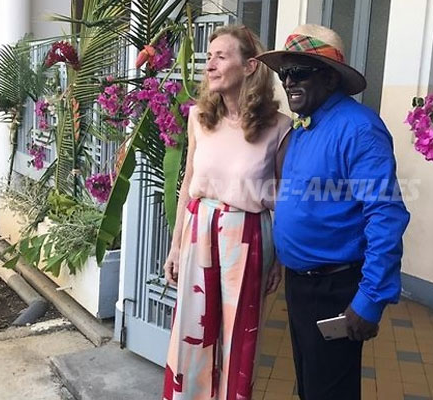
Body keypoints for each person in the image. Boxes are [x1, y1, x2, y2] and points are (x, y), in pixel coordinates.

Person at [257, 24, 411, 400]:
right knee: (311, 387)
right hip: (302, 284)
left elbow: (385, 215)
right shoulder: (304, 127)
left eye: (300, 72)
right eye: (284, 73)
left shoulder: (359, 129)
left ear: (328, 78)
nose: (288, 82)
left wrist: (369, 300)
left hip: (335, 288)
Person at [162, 25, 291, 400]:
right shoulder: (199, 117)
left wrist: (278, 258)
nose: (209, 64)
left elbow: (281, 196)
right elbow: (188, 183)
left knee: (240, 334)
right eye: (209, 56)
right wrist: (175, 245)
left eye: (221, 56)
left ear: (250, 66)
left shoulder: (279, 128)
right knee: (192, 329)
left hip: (248, 234)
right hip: (199, 228)